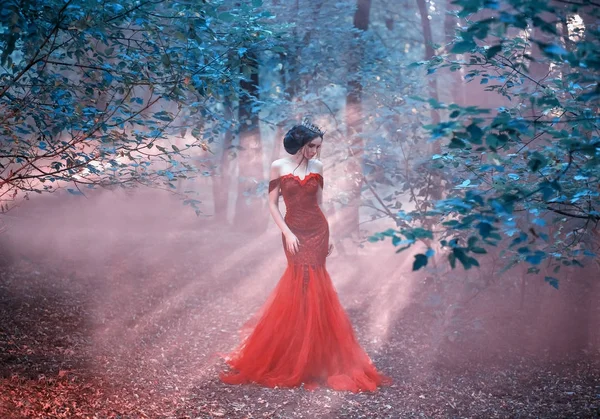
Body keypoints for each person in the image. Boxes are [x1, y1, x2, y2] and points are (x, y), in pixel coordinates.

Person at [220, 120, 390, 392]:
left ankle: (316, 355)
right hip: (293, 231)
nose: (315, 152)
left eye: (319, 147)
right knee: (298, 282)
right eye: (312, 146)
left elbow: (320, 204)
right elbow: (272, 204)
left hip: (317, 231)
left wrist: (330, 233)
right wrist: (287, 233)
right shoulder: (279, 166)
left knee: (316, 283)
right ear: (300, 144)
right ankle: (292, 350)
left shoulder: (318, 167)